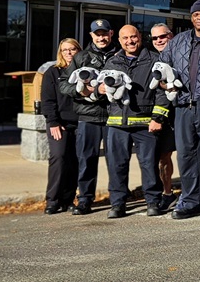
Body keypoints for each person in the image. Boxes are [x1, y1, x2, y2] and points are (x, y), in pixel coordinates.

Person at [156, 0, 200, 220]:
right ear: (191, 17)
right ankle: (190, 201)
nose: (199, 18)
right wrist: (164, 84)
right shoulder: (177, 41)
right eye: (196, 15)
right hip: (183, 107)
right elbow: (161, 68)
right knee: (186, 156)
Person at [101, 25, 167, 218]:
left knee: (149, 165)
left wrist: (157, 118)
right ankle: (117, 204)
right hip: (117, 124)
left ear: (140, 37)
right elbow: (100, 85)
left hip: (145, 124)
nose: (130, 41)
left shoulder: (155, 60)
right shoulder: (112, 61)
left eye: (133, 37)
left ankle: (153, 202)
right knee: (117, 166)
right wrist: (99, 89)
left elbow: (162, 92)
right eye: (125, 38)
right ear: (119, 41)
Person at [59, 19, 119, 215]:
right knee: (86, 160)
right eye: (97, 34)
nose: (101, 38)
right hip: (87, 116)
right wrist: (81, 91)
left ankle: (117, 200)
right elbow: (64, 84)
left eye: (104, 34)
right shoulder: (81, 57)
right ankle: (84, 200)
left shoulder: (120, 55)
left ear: (111, 34)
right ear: (91, 35)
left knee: (116, 161)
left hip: (113, 117)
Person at [40, 38, 81, 214]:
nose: (69, 53)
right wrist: (53, 122)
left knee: (74, 161)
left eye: (72, 49)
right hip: (60, 123)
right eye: (65, 50)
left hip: (80, 123)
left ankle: (68, 199)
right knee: (58, 157)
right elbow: (47, 100)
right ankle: (52, 200)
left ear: (78, 51)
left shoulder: (84, 71)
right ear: (60, 53)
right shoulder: (53, 72)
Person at [150, 23, 177, 210]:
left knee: (188, 155)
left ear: (171, 36)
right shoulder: (151, 59)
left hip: (181, 112)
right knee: (163, 157)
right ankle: (167, 194)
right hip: (160, 115)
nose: (159, 40)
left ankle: (194, 194)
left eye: (163, 36)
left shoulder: (180, 56)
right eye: (155, 38)